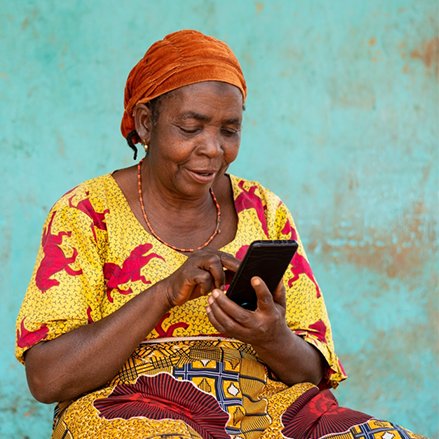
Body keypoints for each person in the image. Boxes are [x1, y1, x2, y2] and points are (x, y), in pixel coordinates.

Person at [16, 30, 424, 439]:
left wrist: (270, 335)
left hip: (266, 413)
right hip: (133, 411)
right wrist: (165, 293)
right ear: (145, 122)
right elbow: (49, 380)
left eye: (229, 130)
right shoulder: (86, 212)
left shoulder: (264, 209)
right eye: (191, 128)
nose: (213, 149)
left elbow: (312, 373)